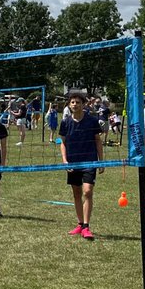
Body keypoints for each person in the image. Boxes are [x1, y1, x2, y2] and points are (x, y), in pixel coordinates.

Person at [59, 91, 104, 240]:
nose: (75, 104)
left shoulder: (92, 121)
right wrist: (65, 161)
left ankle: (86, 226)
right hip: (73, 162)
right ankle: (80, 224)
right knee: (77, 193)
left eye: (78, 102)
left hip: (89, 161)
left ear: (83, 104)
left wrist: (101, 160)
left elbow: (98, 140)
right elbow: (63, 143)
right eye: (72, 102)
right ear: (69, 105)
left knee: (87, 191)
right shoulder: (65, 122)